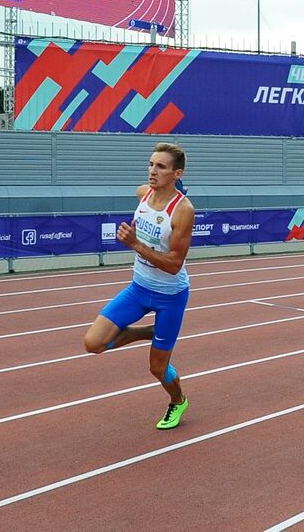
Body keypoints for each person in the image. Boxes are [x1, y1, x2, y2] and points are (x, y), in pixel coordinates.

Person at [82, 143, 195, 430]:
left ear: (177, 173)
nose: (152, 171)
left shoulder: (182, 211)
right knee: (93, 343)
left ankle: (178, 400)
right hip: (139, 288)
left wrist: (135, 244)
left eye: (161, 167)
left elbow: (174, 264)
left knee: (157, 368)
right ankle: (147, 331)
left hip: (170, 296)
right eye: (151, 164)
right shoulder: (143, 194)